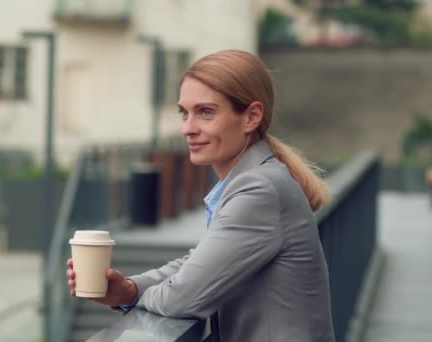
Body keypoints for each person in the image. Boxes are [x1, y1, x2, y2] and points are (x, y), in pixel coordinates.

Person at [67, 49, 335, 341]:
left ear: (251, 117)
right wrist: (127, 289)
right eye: (184, 112)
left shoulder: (259, 190)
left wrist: (133, 297)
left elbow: (183, 297)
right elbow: (198, 263)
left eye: (205, 112)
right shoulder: (256, 178)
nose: (188, 128)